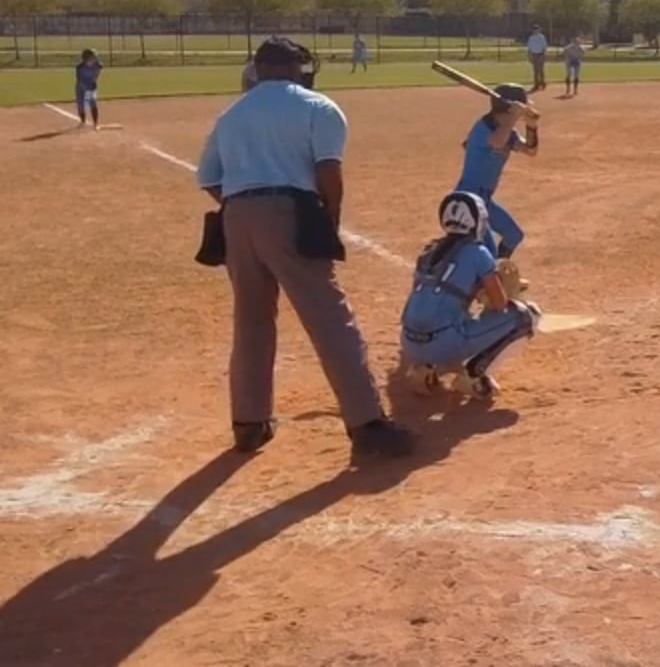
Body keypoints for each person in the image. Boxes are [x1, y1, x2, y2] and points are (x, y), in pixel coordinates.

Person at [195, 37, 413, 459]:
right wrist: (328, 220)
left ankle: (249, 424)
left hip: (237, 217)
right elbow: (328, 171)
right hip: (291, 210)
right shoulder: (317, 106)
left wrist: (243, 206)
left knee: (252, 321)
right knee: (330, 319)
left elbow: (208, 176)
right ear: (297, 68)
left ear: (257, 70)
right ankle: (367, 424)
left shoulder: (231, 114)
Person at [398, 192, 543, 399]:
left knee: (452, 317)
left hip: (409, 343)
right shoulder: (478, 253)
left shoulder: (429, 250)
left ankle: (425, 368)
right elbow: (500, 304)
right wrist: (497, 293)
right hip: (445, 342)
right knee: (526, 316)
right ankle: (475, 376)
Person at [455, 82, 540, 264]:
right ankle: (485, 276)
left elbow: (530, 150)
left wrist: (531, 126)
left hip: (485, 199)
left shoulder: (507, 130)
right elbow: (497, 142)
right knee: (488, 251)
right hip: (469, 199)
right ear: (510, 108)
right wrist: (513, 117)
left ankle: (496, 273)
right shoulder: (484, 126)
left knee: (513, 235)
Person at [75, 49, 103, 129]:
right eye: (92, 57)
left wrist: (95, 79)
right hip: (81, 87)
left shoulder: (98, 65)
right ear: (87, 58)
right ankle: (82, 122)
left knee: (93, 103)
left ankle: (95, 124)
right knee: (81, 105)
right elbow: (79, 80)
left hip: (91, 86)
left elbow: (99, 70)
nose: (95, 58)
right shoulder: (80, 67)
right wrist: (85, 88)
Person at [526, 25, 549, 92]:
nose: (535, 30)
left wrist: (543, 55)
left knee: (541, 70)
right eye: (534, 29)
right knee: (535, 71)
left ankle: (543, 83)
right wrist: (529, 56)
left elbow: (545, 47)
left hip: (540, 54)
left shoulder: (542, 37)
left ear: (539, 30)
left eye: (537, 29)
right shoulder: (531, 38)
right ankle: (536, 84)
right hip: (534, 55)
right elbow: (529, 48)